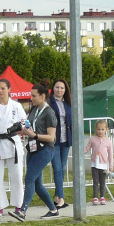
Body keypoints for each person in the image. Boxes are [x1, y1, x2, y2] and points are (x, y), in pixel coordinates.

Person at [9, 83, 60, 222]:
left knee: (29, 178)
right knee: (37, 184)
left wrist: (34, 135)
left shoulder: (49, 113)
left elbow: (51, 137)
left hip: (45, 149)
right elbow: (29, 127)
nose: (31, 98)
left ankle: (23, 211)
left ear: (43, 96)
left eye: (34, 96)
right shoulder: (34, 109)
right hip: (33, 148)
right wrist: (18, 131)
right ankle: (53, 210)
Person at [0, 78, 26, 216]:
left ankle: (18, 205)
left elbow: (24, 124)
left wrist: (14, 131)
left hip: (13, 142)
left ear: (9, 89)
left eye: (3, 88)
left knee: (17, 176)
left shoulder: (16, 106)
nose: (1, 91)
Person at [48, 79, 73, 209]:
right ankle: (61, 198)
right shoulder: (49, 102)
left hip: (65, 140)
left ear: (65, 90)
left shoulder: (68, 103)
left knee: (62, 169)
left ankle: (57, 197)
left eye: (62, 88)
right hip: (54, 140)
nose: (59, 90)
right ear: (53, 88)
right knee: (57, 168)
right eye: (57, 87)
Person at [85, 120, 114, 206]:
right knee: (95, 181)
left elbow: (110, 154)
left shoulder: (108, 141)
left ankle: (102, 196)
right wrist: (80, 151)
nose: (100, 131)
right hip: (94, 164)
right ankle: (95, 197)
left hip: (103, 165)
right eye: (98, 129)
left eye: (102, 129)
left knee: (102, 181)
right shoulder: (93, 139)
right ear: (95, 129)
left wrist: (111, 166)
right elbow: (87, 149)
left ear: (106, 129)